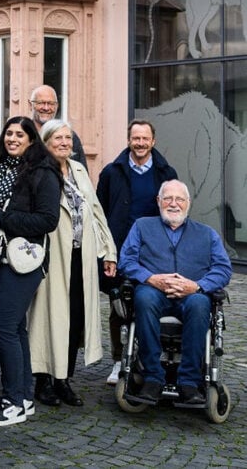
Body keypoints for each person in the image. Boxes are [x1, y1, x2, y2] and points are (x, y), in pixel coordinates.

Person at [0, 116, 61, 427]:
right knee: (15, 328)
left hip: (23, 260)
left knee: (2, 326)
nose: (13, 139)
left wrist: (1, 219)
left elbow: (47, 221)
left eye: (20, 135)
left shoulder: (43, 172)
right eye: (9, 133)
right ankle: (24, 397)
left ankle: (12, 402)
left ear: (31, 140)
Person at [28, 120, 117, 408]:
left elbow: (95, 211)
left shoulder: (78, 170)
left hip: (82, 256)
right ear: (46, 142)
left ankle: (63, 379)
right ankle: (43, 381)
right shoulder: (39, 171)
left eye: (68, 138)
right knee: (48, 318)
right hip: (52, 257)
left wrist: (109, 251)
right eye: (58, 138)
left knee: (75, 318)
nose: (65, 143)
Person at [119, 180, 232, 406]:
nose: (173, 204)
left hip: (192, 294)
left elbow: (223, 269)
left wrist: (197, 285)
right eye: (168, 198)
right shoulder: (142, 226)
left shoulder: (207, 234)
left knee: (200, 304)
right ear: (158, 201)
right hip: (153, 291)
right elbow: (126, 261)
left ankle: (189, 381)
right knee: (143, 298)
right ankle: (153, 377)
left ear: (188, 203)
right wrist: (151, 278)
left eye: (179, 199)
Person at [96, 119, 177, 385]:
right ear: (129, 140)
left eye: (145, 139)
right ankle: (119, 360)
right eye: (136, 138)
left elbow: (175, 212)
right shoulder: (112, 172)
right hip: (120, 250)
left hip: (155, 252)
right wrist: (106, 252)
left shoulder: (166, 173)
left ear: (153, 141)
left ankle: (149, 357)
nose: (140, 143)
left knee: (152, 303)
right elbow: (100, 214)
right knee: (119, 307)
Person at [28, 85, 85, 166]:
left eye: (51, 104)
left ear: (56, 106)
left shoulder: (69, 136)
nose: (46, 108)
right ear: (30, 105)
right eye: (41, 103)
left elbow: (80, 169)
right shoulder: (22, 134)